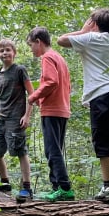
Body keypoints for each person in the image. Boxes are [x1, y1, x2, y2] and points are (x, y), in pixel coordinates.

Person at [57, 8, 109, 203]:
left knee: (103, 140)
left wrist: (84, 30)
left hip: (102, 96)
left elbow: (61, 40)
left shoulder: (90, 39)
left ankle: (108, 187)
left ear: (94, 23)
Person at [26, 27, 74, 201]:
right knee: (55, 150)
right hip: (62, 109)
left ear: (39, 41)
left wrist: (34, 96)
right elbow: (66, 85)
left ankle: (64, 187)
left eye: (31, 45)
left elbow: (51, 81)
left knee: (52, 150)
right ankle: (57, 188)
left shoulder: (47, 57)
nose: (31, 49)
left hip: (53, 110)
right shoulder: (59, 57)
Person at [0, 38, 34, 203]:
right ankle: (5, 182)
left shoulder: (19, 70)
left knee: (20, 151)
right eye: (1, 51)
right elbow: (2, 97)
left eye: (8, 50)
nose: (4, 53)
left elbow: (32, 94)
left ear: (14, 52)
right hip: (0, 118)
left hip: (16, 118)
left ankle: (27, 188)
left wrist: (27, 115)